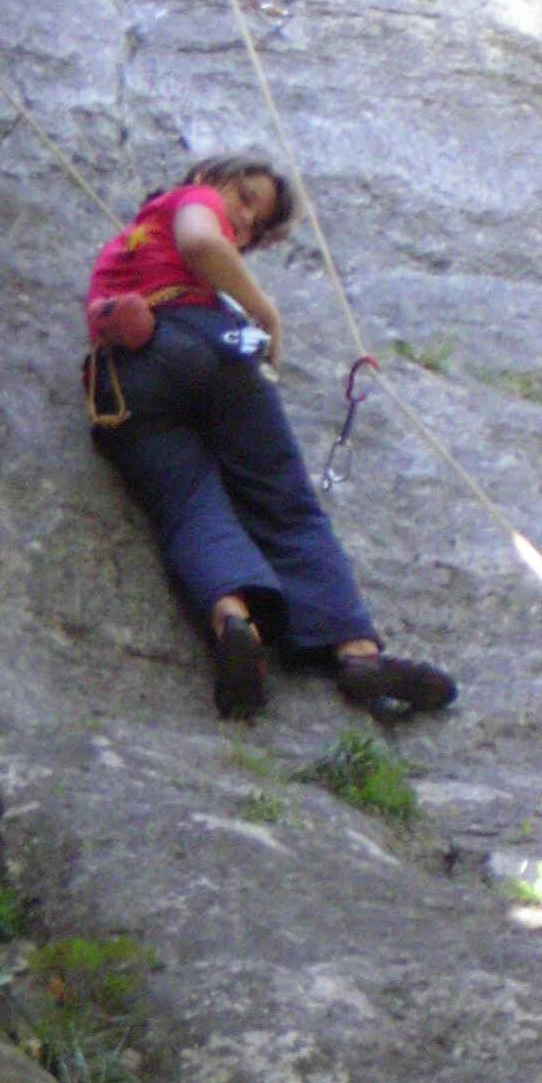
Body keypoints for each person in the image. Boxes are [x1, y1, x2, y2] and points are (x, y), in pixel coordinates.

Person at [84, 153, 457, 721]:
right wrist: (267, 313)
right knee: (285, 506)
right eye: (245, 199)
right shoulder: (194, 200)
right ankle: (355, 654)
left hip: (129, 376)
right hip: (208, 345)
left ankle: (234, 623)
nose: (244, 222)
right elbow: (201, 241)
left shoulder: (127, 250)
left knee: (188, 507)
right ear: (210, 178)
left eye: (255, 227)